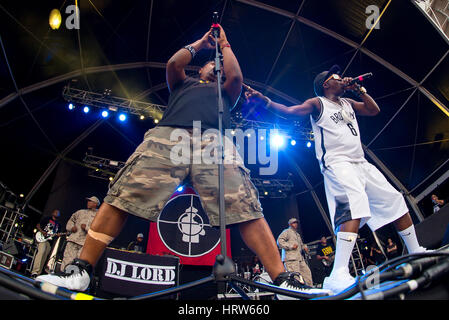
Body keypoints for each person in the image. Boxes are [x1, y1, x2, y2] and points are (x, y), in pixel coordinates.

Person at [36, 25, 329, 298]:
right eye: (209, 65)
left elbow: (236, 77)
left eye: (219, 68)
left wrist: (224, 45)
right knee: (122, 195)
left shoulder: (227, 92)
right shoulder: (183, 83)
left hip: (214, 142)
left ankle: (283, 281)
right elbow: (173, 64)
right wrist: (202, 43)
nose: (215, 69)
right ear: (200, 68)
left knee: (245, 206)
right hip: (169, 136)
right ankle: (82, 270)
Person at [244, 64, 429, 294]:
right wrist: (266, 101)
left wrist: (359, 89)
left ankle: (414, 251)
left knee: (394, 199)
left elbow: (373, 110)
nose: (342, 79)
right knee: (352, 205)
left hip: (360, 162)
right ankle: (338, 273)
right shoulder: (317, 103)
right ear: (325, 84)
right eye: (336, 78)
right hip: (337, 163)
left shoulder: (348, 103)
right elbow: (290, 111)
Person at [59, 196, 99, 272]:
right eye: (88, 201)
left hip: (85, 243)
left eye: (90, 201)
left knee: (79, 262)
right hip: (73, 239)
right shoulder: (80, 212)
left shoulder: (99, 215)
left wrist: (87, 228)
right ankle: (63, 274)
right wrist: (71, 227)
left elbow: (100, 229)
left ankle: (73, 278)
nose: (88, 203)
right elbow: (71, 220)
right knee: (67, 259)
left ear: (95, 204)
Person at [277, 218, 314, 287]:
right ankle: (297, 294)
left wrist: (304, 247)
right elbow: (279, 241)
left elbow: (301, 245)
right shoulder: (287, 231)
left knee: (307, 273)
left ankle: (309, 289)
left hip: (299, 258)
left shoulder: (297, 234)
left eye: (296, 223)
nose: (296, 224)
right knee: (295, 277)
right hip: (291, 259)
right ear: (290, 224)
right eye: (294, 223)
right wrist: (290, 246)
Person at [30, 209, 62, 278]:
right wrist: (42, 232)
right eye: (55, 212)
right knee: (41, 252)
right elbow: (38, 225)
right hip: (42, 239)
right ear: (52, 212)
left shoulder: (58, 224)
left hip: (49, 241)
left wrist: (58, 235)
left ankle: (38, 273)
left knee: (44, 256)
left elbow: (56, 234)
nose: (56, 213)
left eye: (58, 213)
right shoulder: (47, 219)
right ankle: (34, 271)